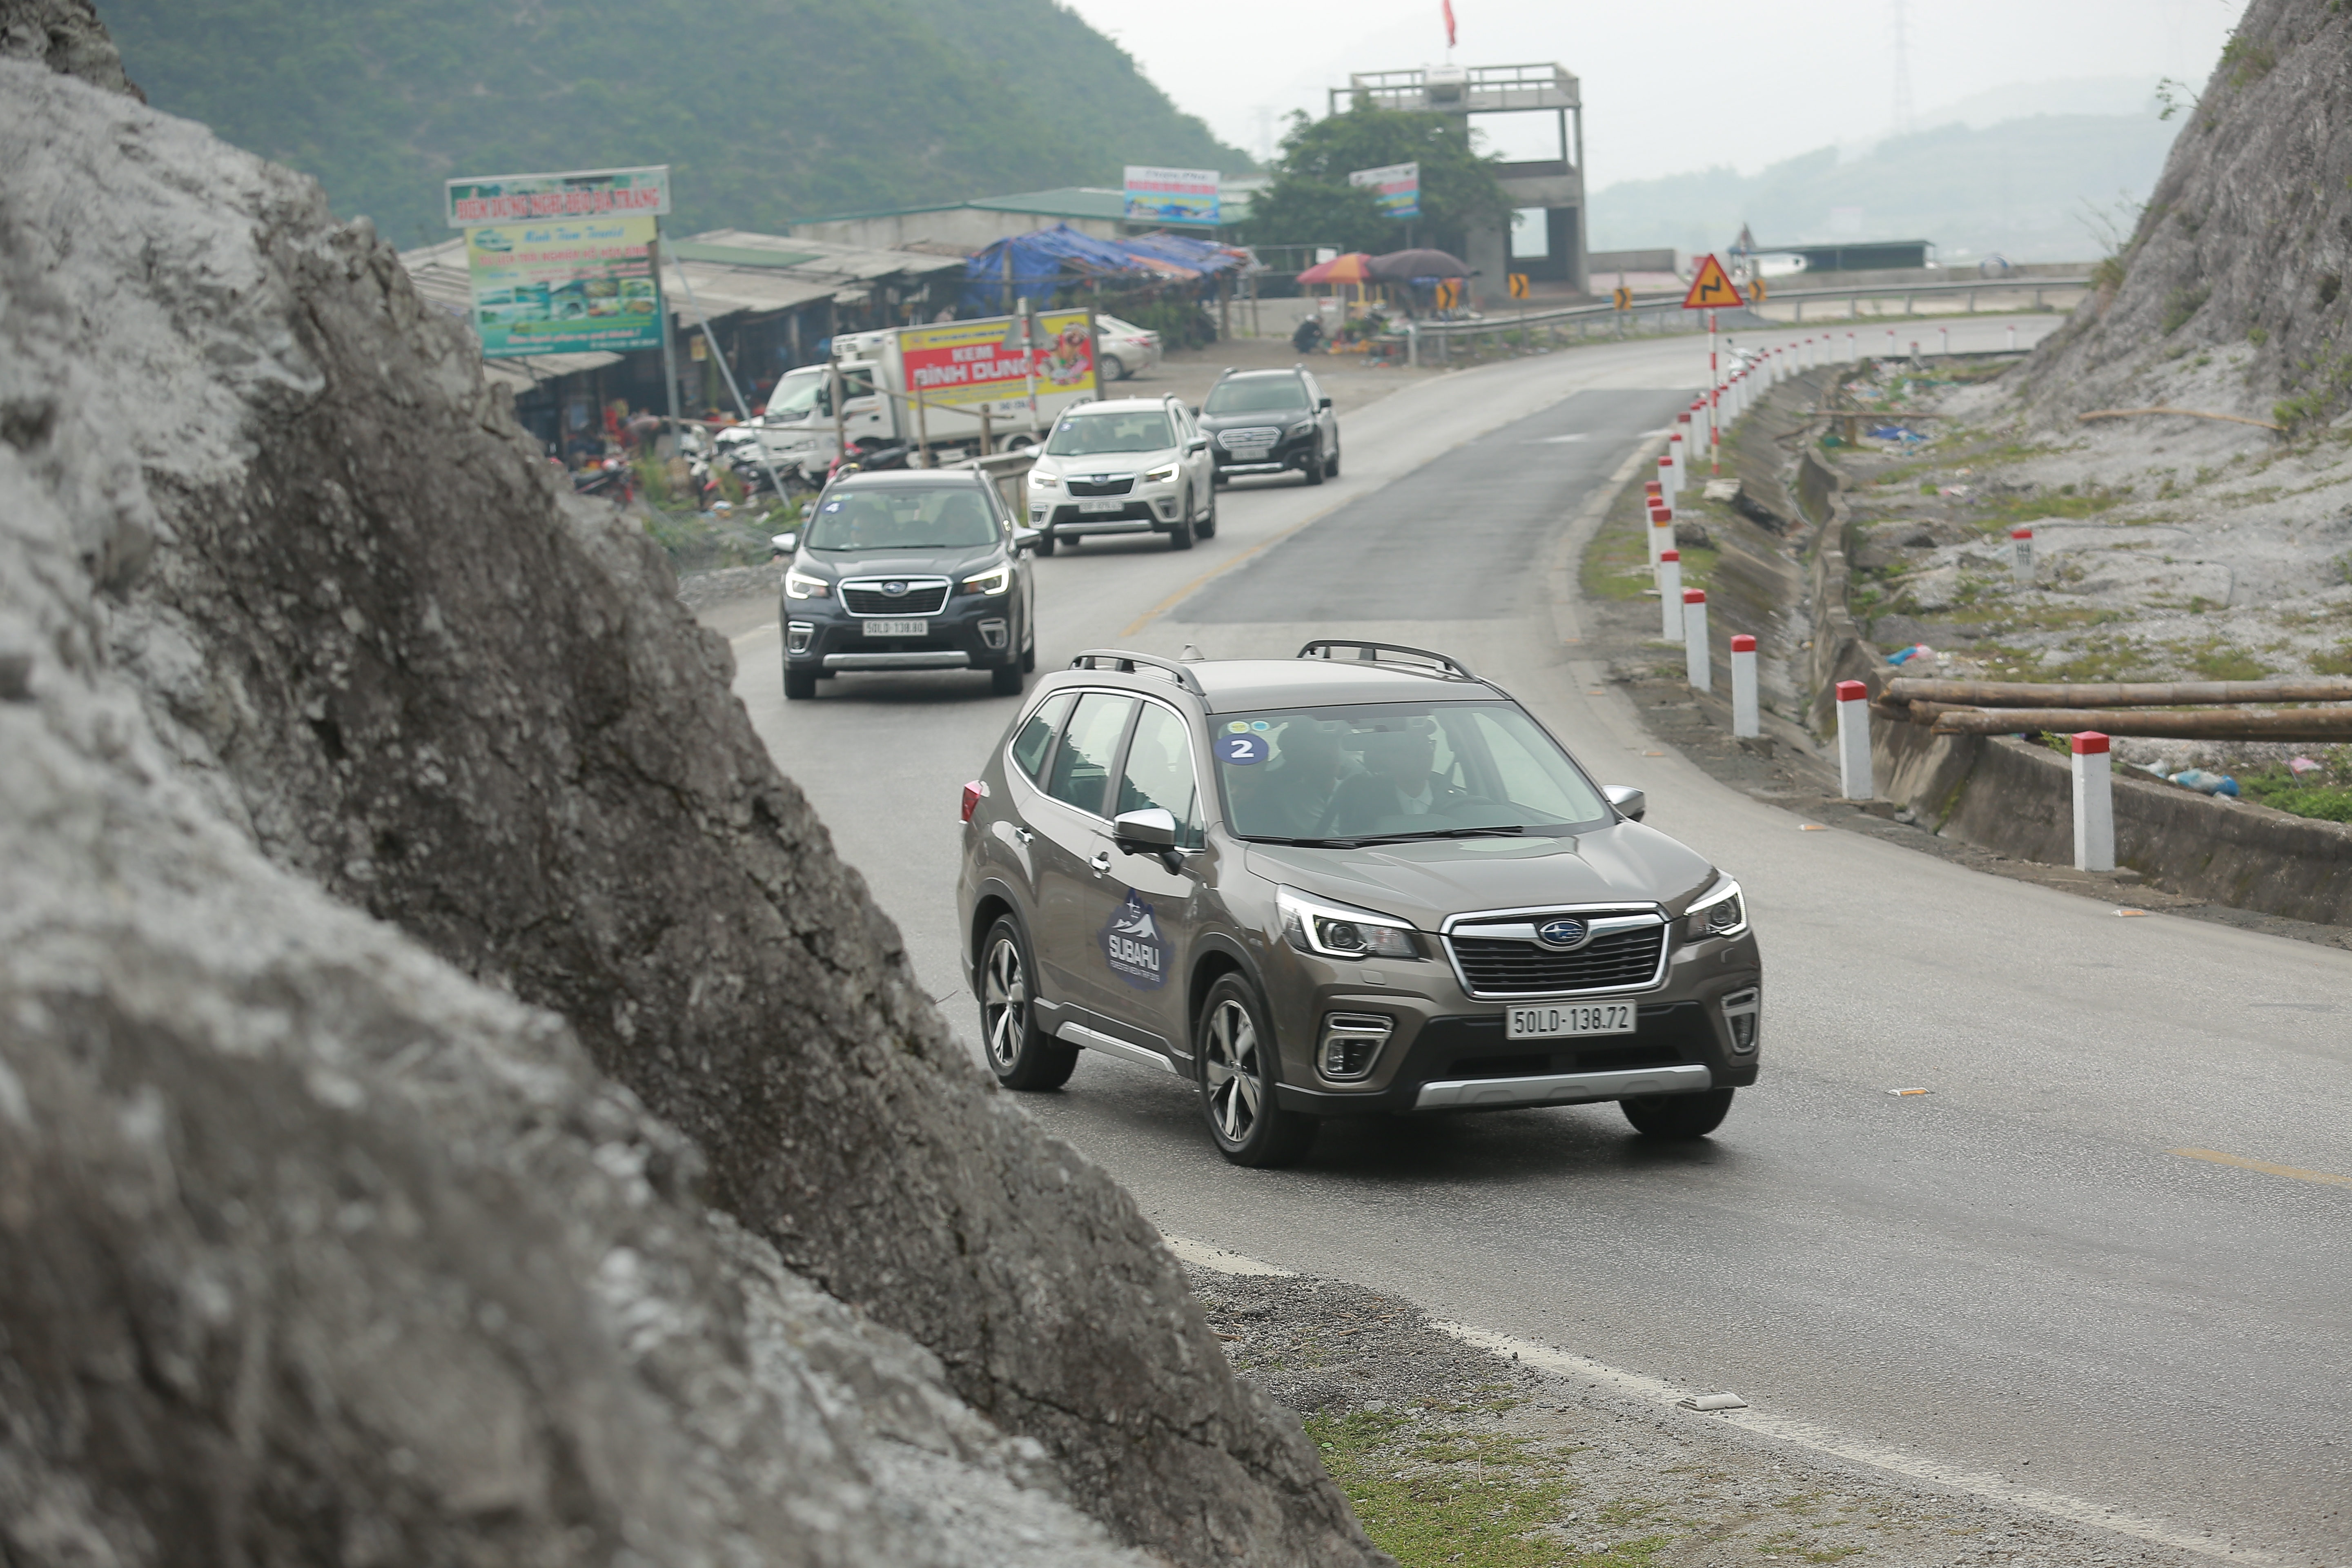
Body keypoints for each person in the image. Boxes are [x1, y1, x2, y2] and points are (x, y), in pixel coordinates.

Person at [1327, 723, 1466, 833]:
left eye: (1426, 746)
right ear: (1386, 757)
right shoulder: (1360, 803)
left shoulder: (1458, 801)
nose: (1422, 755)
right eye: (1410, 749)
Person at [1256, 720, 1347, 837]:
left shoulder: (1357, 791)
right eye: (1321, 752)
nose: (1331, 757)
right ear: (1298, 759)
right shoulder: (1284, 800)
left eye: (1333, 748)